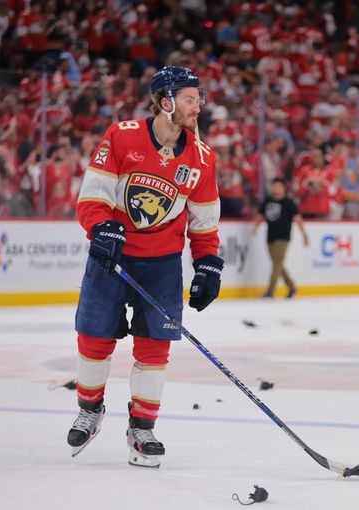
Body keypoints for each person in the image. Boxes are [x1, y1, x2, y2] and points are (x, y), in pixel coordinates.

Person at [67, 66, 223, 469]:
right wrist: (101, 227)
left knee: (156, 345)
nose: (198, 105)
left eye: (199, 98)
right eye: (190, 98)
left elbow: (204, 223)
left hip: (162, 264)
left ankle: (142, 426)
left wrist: (207, 265)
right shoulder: (122, 135)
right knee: (94, 334)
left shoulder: (203, 158)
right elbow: (93, 194)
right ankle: (90, 410)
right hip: (113, 256)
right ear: (166, 101)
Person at [252, 177, 309, 298]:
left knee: (277, 263)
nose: (275, 188)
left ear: (284, 188)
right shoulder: (267, 201)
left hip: (283, 237)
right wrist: (255, 227)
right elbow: (261, 216)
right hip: (270, 236)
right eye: (274, 185)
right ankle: (292, 287)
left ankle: (270, 291)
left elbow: (297, 219)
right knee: (278, 264)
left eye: (278, 185)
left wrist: (304, 235)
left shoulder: (288, 202)